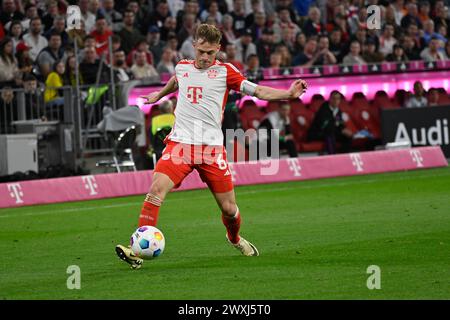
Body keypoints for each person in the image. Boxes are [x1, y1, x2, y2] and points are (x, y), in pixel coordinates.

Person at [115, 24, 308, 269]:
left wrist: (288, 94)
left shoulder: (226, 72)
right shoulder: (183, 66)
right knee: (155, 190)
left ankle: (234, 238)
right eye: (201, 52)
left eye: (210, 53)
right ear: (194, 45)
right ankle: (136, 252)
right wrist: (159, 95)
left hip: (211, 149)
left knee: (229, 209)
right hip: (180, 144)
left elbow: (257, 91)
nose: (205, 58)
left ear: (218, 49)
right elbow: (177, 80)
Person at [307, 90, 353, 155]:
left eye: (338, 99)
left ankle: (343, 156)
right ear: (330, 99)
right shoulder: (323, 109)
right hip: (318, 133)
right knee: (329, 134)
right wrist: (340, 131)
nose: (336, 101)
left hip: (333, 132)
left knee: (347, 137)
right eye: (334, 98)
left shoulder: (338, 111)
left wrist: (344, 129)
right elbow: (326, 127)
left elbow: (339, 123)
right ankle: (332, 156)